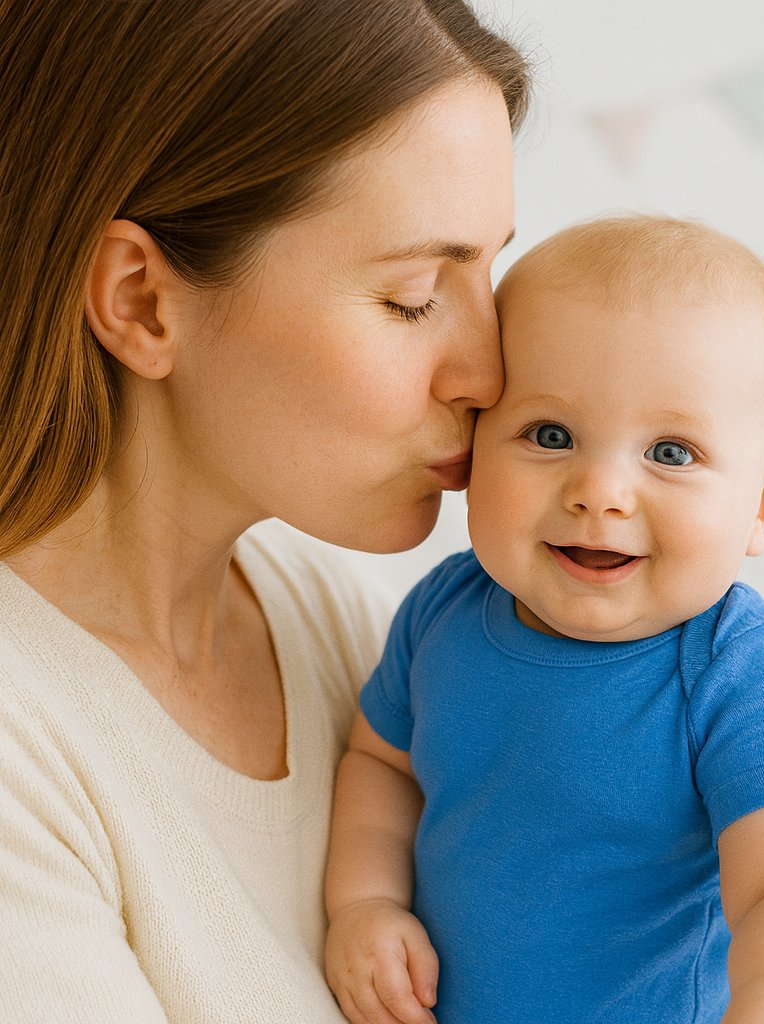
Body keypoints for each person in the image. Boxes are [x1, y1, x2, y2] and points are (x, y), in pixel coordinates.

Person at [0, 2, 530, 1021]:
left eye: (490, 273)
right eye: (416, 295)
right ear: (142, 301)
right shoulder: (26, 752)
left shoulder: (326, 613)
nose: (491, 369)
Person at [324, 215, 764, 1024]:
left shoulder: (739, 677)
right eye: (551, 435)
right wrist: (364, 902)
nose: (600, 490)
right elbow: (382, 766)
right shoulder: (443, 611)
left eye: (672, 453)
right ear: (476, 449)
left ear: (762, 506)